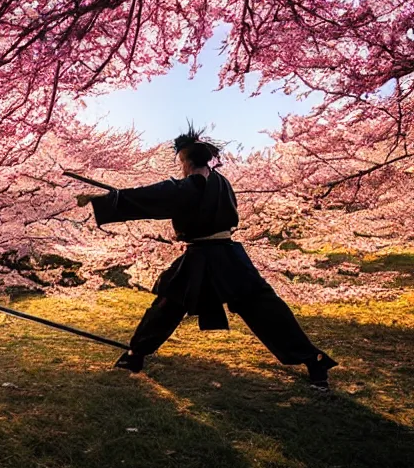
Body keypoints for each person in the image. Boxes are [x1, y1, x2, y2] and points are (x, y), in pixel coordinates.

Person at [76, 126, 338, 391]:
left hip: (208, 256)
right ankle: (312, 359)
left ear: (188, 162)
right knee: (257, 307)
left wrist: (105, 200)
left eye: (182, 163)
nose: (182, 168)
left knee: (175, 305)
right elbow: (160, 194)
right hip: (226, 255)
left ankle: (136, 354)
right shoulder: (218, 181)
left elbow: (154, 196)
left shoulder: (193, 185)